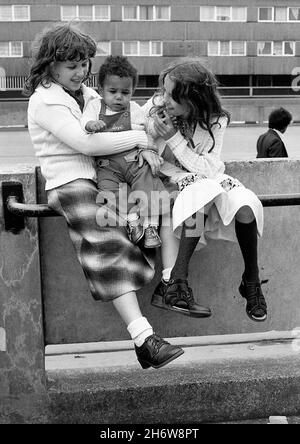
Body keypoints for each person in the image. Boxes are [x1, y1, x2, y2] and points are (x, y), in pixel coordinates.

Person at [23, 23, 184, 369]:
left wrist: (154, 132)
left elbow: (138, 121)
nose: (81, 72)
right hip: (70, 183)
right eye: (72, 66)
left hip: (103, 177)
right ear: (50, 64)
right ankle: (145, 339)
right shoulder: (44, 101)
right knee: (106, 242)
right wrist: (139, 140)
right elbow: (86, 143)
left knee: (160, 206)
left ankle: (169, 283)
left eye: (84, 64)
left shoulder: (91, 95)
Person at [143, 58, 267, 322]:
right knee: (202, 191)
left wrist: (174, 139)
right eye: (163, 91)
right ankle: (177, 280)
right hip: (173, 183)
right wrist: (153, 138)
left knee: (245, 203)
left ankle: (251, 281)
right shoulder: (157, 109)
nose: (164, 99)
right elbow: (139, 140)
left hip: (207, 180)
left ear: (193, 101)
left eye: (171, 95)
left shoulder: (216, 119)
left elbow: (209, 169)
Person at [81, 55, 163, 249]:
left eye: (125, 92)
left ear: (133, 91)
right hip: (107, 166)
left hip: (133, 159)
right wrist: (92, 124)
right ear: (101, 90)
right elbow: (84, 123)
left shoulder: (134, 109)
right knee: (108, 191)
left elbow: (146, 131)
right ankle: (132, 221)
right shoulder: (94, 106)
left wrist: (147, 149)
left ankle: (151, 225)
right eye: (113, 91)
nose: (119, 97)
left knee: (148, 182)